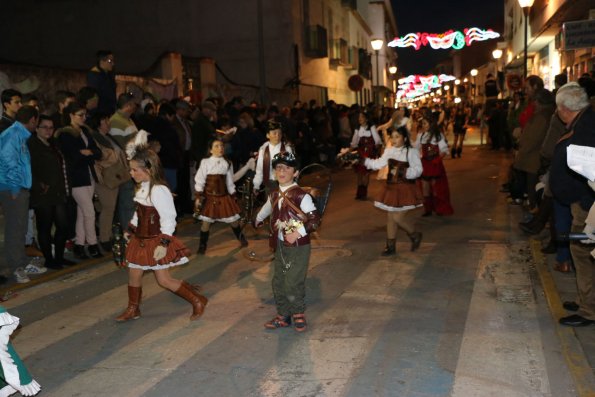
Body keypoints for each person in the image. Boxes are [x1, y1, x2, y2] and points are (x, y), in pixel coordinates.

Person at [115, 131, 208, 322]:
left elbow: (169, 219)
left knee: (164, 280)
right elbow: (138, 213)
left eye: (134, 170)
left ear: (148, 169)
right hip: (139, 240)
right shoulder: (142, 187)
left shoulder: (159, 190)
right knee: (134, 274)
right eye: (130, 169)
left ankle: (197, 300)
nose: (131, 173)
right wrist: (130, 229)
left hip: (155, 241)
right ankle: (134, 309)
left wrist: (163, 244)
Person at [254, 152, 321, 332]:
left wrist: (298, 233)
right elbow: (268, 207)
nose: (282, 171)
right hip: (280, 244)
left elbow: (315, 220)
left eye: (287, 167)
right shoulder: (274, 193)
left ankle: (298, 313)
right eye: (278, 168)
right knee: (278, 281)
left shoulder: (301, 196)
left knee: (293, 281)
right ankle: (284, 315)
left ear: (296, 172)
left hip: (298, 246)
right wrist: (258, 218)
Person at [549, 82, 595, 327]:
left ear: (564, 108)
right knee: (582, 254)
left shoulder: (586, 128)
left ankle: (589, 310)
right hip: (582, 201)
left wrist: (581, 200)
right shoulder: (583, 122)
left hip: (587, 205)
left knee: (584, 254)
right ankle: (584, 300)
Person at [0, 106, 48, 284]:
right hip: (13, 189)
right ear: (33, 120)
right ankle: (16, 268)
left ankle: (21, 262)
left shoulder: (18, 134)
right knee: (15, 229)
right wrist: (14, 188)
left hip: (17, 187)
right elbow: (6, 160)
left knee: (20, 229)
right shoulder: (14, 135)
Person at [362, 127, 423, 255]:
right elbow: (378, 164)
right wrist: (363, 160)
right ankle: (390, 246)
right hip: (391, 188)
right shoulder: (389, 151)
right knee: (390, 217)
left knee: (398, 217)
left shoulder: (411, 152)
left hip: (406, 189)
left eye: (397, 136)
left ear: (404, 138)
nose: (394, 139)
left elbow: (418, 170)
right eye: (392, 137)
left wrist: (405, 172)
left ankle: (415, 235)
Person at [55, 103, 103, 259]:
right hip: (76, 178)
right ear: (70, 115)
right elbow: (72, 157)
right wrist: (87, 154)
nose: (83, 118)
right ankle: (92, 244)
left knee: (83, 213)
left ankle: (80, 245)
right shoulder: (65, 134)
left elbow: (98, 152)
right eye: (80, 115)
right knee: (89, 211)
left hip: (89, 176)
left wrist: (87, 152)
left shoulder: (85, 131)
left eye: (85, 115)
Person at [28, 115, 73, 270]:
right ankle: (49, 259)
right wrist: (39, 185)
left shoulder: (53, 144)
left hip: (58, 192)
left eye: (51, 127)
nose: (48, 130)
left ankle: (59, 257)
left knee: (63, 226)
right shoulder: (32, 144)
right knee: (45, 228)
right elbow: (28, 168)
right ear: (37, 129)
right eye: (44, 127)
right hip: (43, 193)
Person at [194, 139, 248, 254]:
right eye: (217, 146)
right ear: (210, 150)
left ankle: (240, 237)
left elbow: (229, 181)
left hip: (223, 197)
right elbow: (200, 180)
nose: (220, 148)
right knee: (206, 223)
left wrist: (233, 195)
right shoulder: (205, 162)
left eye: (222, 146)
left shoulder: (227, 163)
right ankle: (202, 245)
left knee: (233, 220)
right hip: (209, 197)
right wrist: (198, 196)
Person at [88, 113, 130, 252]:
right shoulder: (95, 138)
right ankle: (105, 239)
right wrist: (114, 155)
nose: (108, 122)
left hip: (115, 176)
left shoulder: (107, 137)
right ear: (99, 123)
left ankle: (108, 235)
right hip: (105, 177)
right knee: (108, 207)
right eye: (105, 120)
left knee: (110, 208)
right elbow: (103, 157)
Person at [415, 115, 454, 216]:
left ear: (431, 124)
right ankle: (427, 209)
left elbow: (444, 150)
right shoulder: (421, 135)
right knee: (425, 188)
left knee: (436, 188)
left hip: (435, 164)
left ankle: (439, 208)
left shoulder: (438, 135)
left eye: (425, 123)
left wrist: (437, 160)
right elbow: (416, 148)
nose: (423, 125)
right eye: (422, 123)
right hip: (425, 164)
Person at [253, 119, 294, 194]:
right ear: (268, 135)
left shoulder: (287, 149)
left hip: (285, 184)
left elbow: (292, 168)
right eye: (274, 133)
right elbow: (259, 170)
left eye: (279, 133)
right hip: (269, 184)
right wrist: (256, 185)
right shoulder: (263, 151)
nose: (277, 136)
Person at [350, 111, 381, 200]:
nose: (360, 119)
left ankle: (364, 193)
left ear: (366, 118)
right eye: (359, 117)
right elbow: (354, 142)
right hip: (360, 153)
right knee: (359, 173)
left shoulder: (371, 127)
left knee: (366, 173)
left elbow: (377, 141)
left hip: (368, 153)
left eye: (362, 117)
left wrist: (375, 152)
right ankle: (359, 193)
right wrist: (349, 150)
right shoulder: (357, 128)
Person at [86, 50, 117, 115]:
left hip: (109, 111)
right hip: (100, 113)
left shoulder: (109, 75)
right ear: (101, 61)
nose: (113, 64)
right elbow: (94, 97)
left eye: (113, 61)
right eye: (109, 61)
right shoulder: (94, 75)